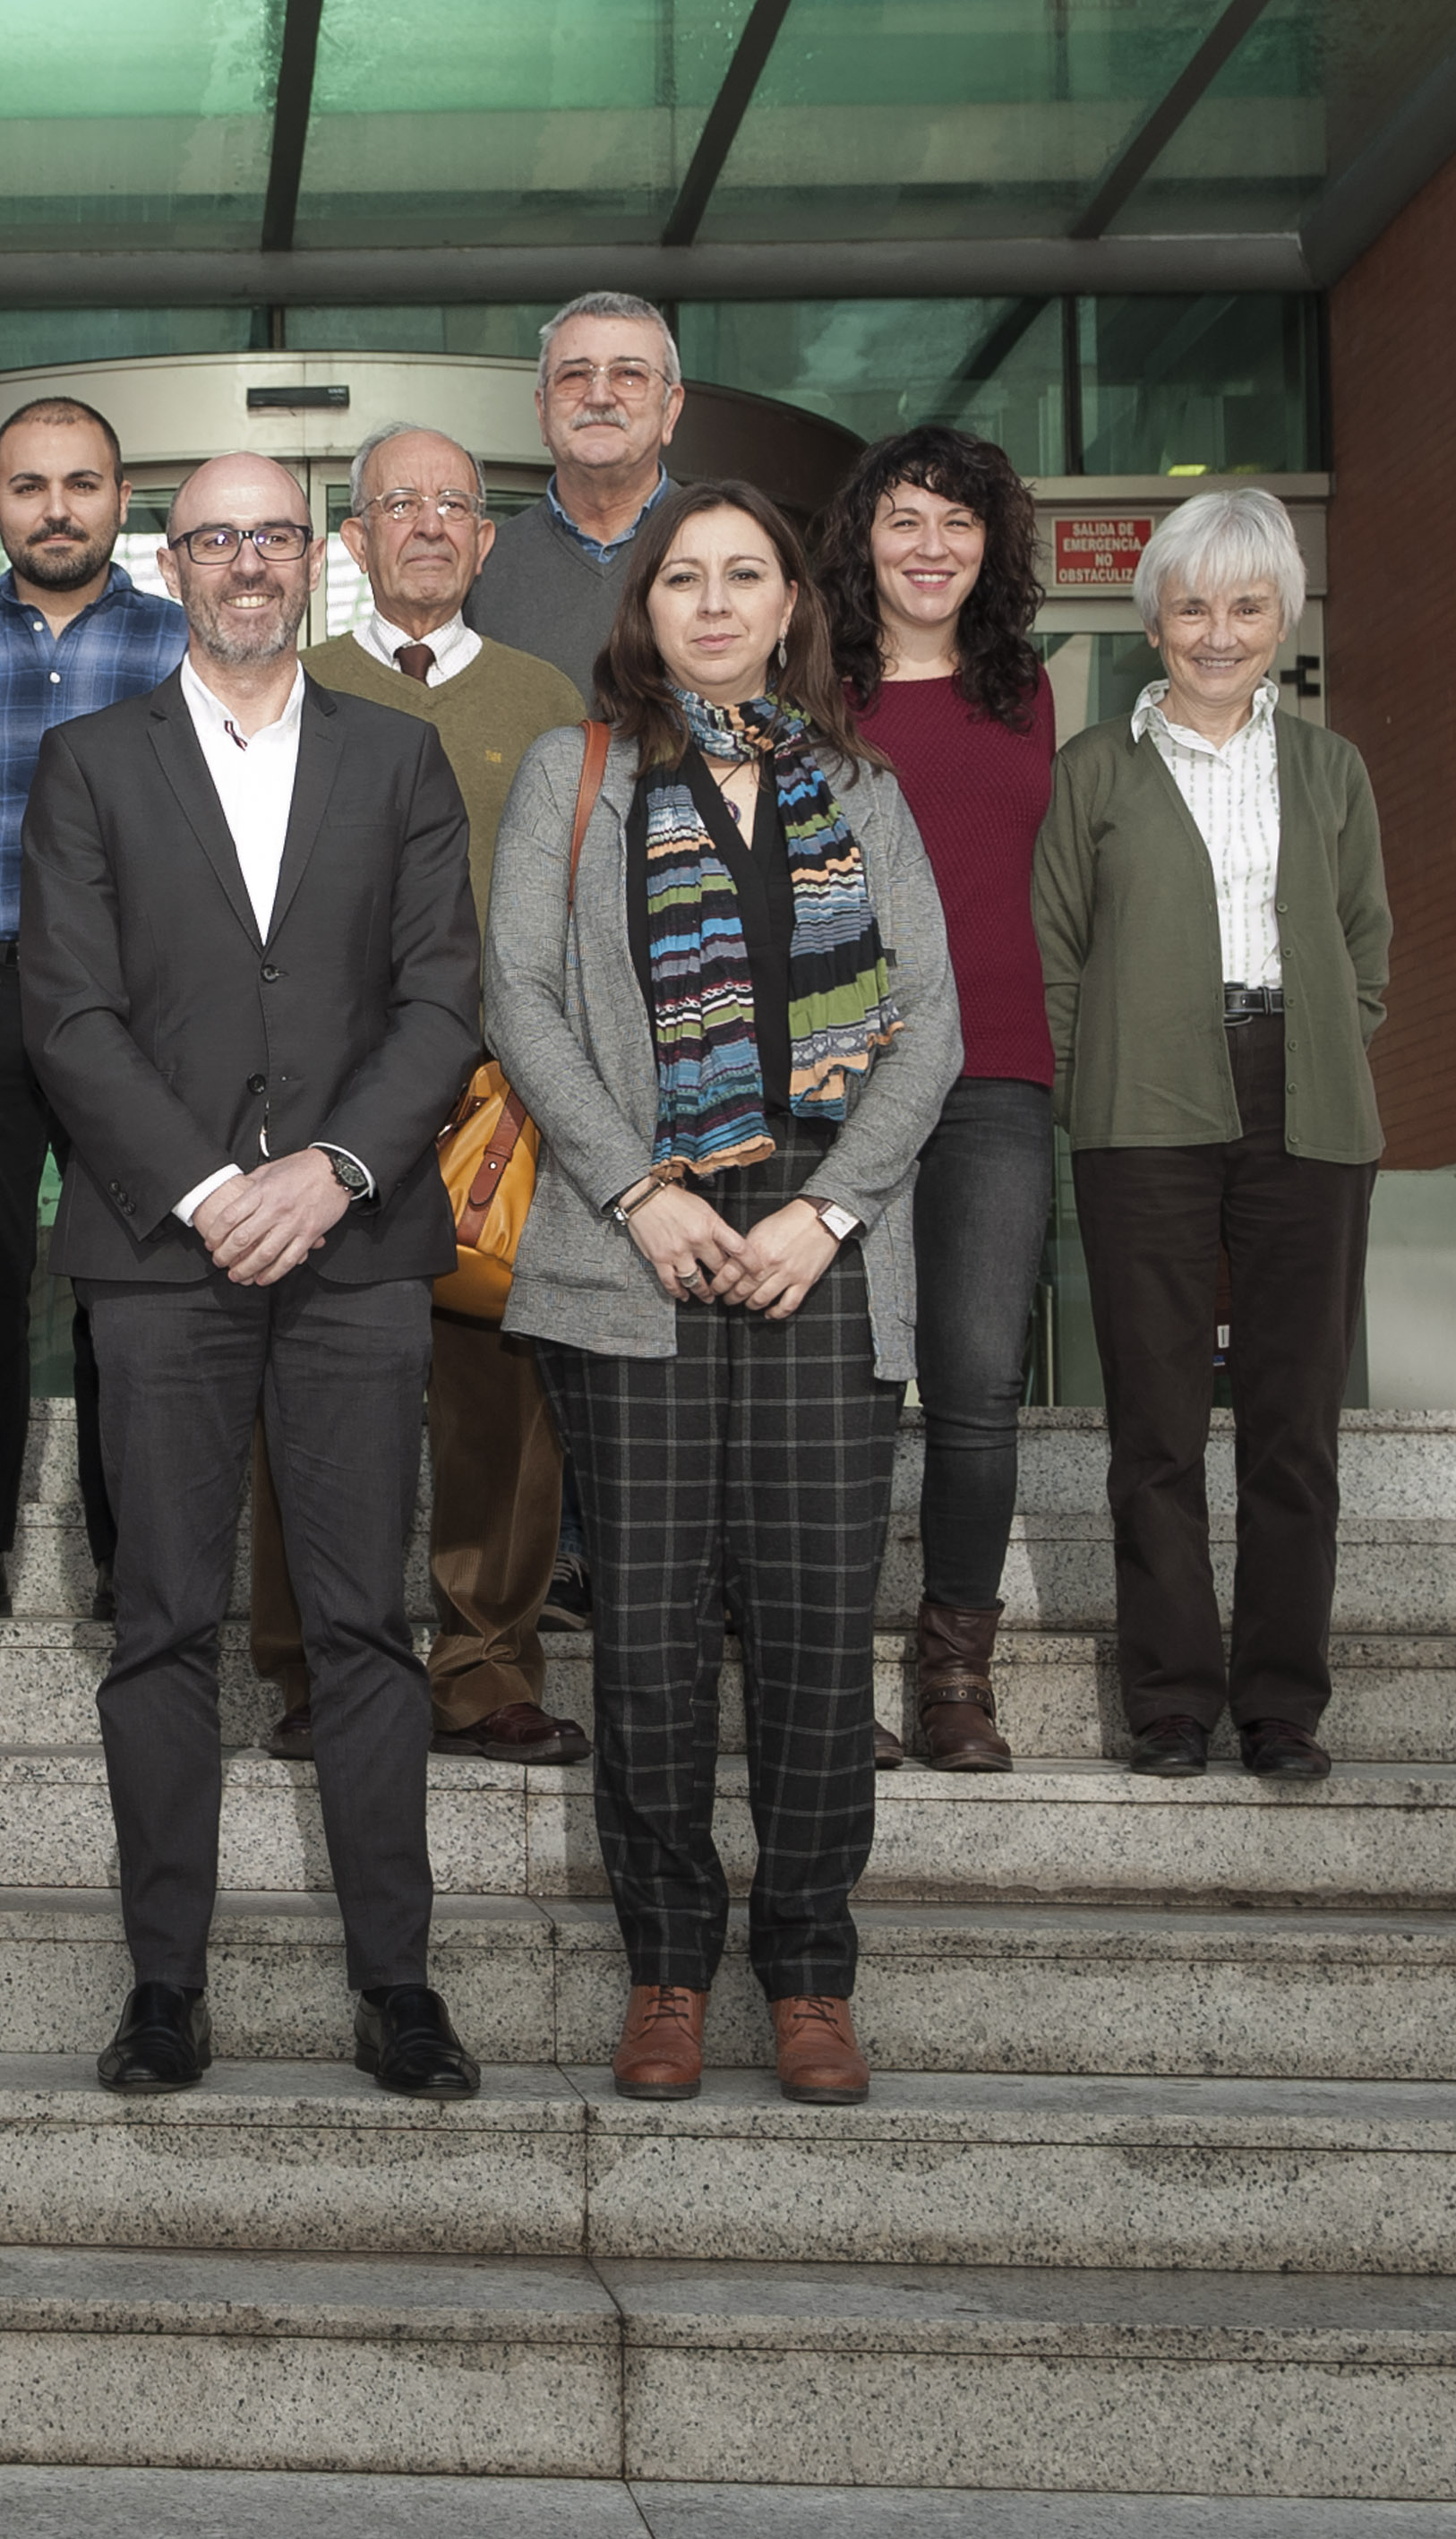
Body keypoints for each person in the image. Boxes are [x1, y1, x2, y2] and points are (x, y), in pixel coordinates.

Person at [486, 480, 963, 2112]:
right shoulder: (579, 774)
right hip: (641, 1243)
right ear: (648, 609)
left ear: (786, 607)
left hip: (820, 1243)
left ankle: (812, 1970)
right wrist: (638, 1187)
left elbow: (930, 1029)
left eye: (740, 575)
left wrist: (826, 1213)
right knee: (652, 1635)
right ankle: (669, 1966)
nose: (708, 601)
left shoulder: (861, 790)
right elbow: (523, 1000)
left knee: (823, 1633)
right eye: (680, 576)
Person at [22, 453, 484, 2101]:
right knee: (161, 1629)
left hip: (356, 1248)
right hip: (162, 1251)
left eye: (271, 537)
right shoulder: (88, 763)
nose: (242, 565)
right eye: (212, 538)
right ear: (172, 561)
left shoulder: (400, 757)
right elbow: (67, 1012)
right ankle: (162, 1986)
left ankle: (397, 1983)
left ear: (315, 560)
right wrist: (220, 1188)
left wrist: (334, 1168)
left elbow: (441, 998)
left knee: (364, 1624)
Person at [1033, 488, 1387, 1788]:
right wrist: (1092, 1086)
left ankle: (1282, 1702)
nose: (1220, 631)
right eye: (1193, 605)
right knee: (1158, 1421)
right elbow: (1054, 958)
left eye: (1246, 605)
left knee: (1295, 1421)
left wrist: (1333, 1053)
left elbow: (1367, 946)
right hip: (1143, 1111)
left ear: (1281, 615)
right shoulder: (1094, 774)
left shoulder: (1330, 769)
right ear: (1155, 620)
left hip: (1309, 1101)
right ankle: (1173, 1700)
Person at [265, 421, 592, 1768]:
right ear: (353, 539)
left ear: (487, 538)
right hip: (325, 1100)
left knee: (500, 1395)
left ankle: (482, 1666)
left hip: (501, 1096)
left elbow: (581, 903)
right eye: (398, 503)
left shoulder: (550, 697)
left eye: (454, 504)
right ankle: (312, 1662)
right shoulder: (290, 686)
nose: (429, 524)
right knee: (311, 1382)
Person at [0, 396, 184, 1623]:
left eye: (82, 483)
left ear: (123, 500)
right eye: (28, 486)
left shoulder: (184, 646)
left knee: (132, 1282)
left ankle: (139, 1559)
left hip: (144, 1001)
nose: (55, 508)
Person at [813, 425, 1056, 1774]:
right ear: (864, 537)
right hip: (845, 1075)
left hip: (998, 1072)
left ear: (989, 547)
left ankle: (958, 1671)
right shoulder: (814, 690)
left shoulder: (1026, 691)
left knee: (974, 1382)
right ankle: (825, 1666)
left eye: (957, 524)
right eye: (904, 519)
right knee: (842, 1386)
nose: (930, 547)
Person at [463, 292, 689, 691]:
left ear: (670, 410)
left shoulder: (732, 551)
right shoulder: (481, 568)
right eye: (574, 376)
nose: (599, 396)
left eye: (628, 374)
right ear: (542, 412)